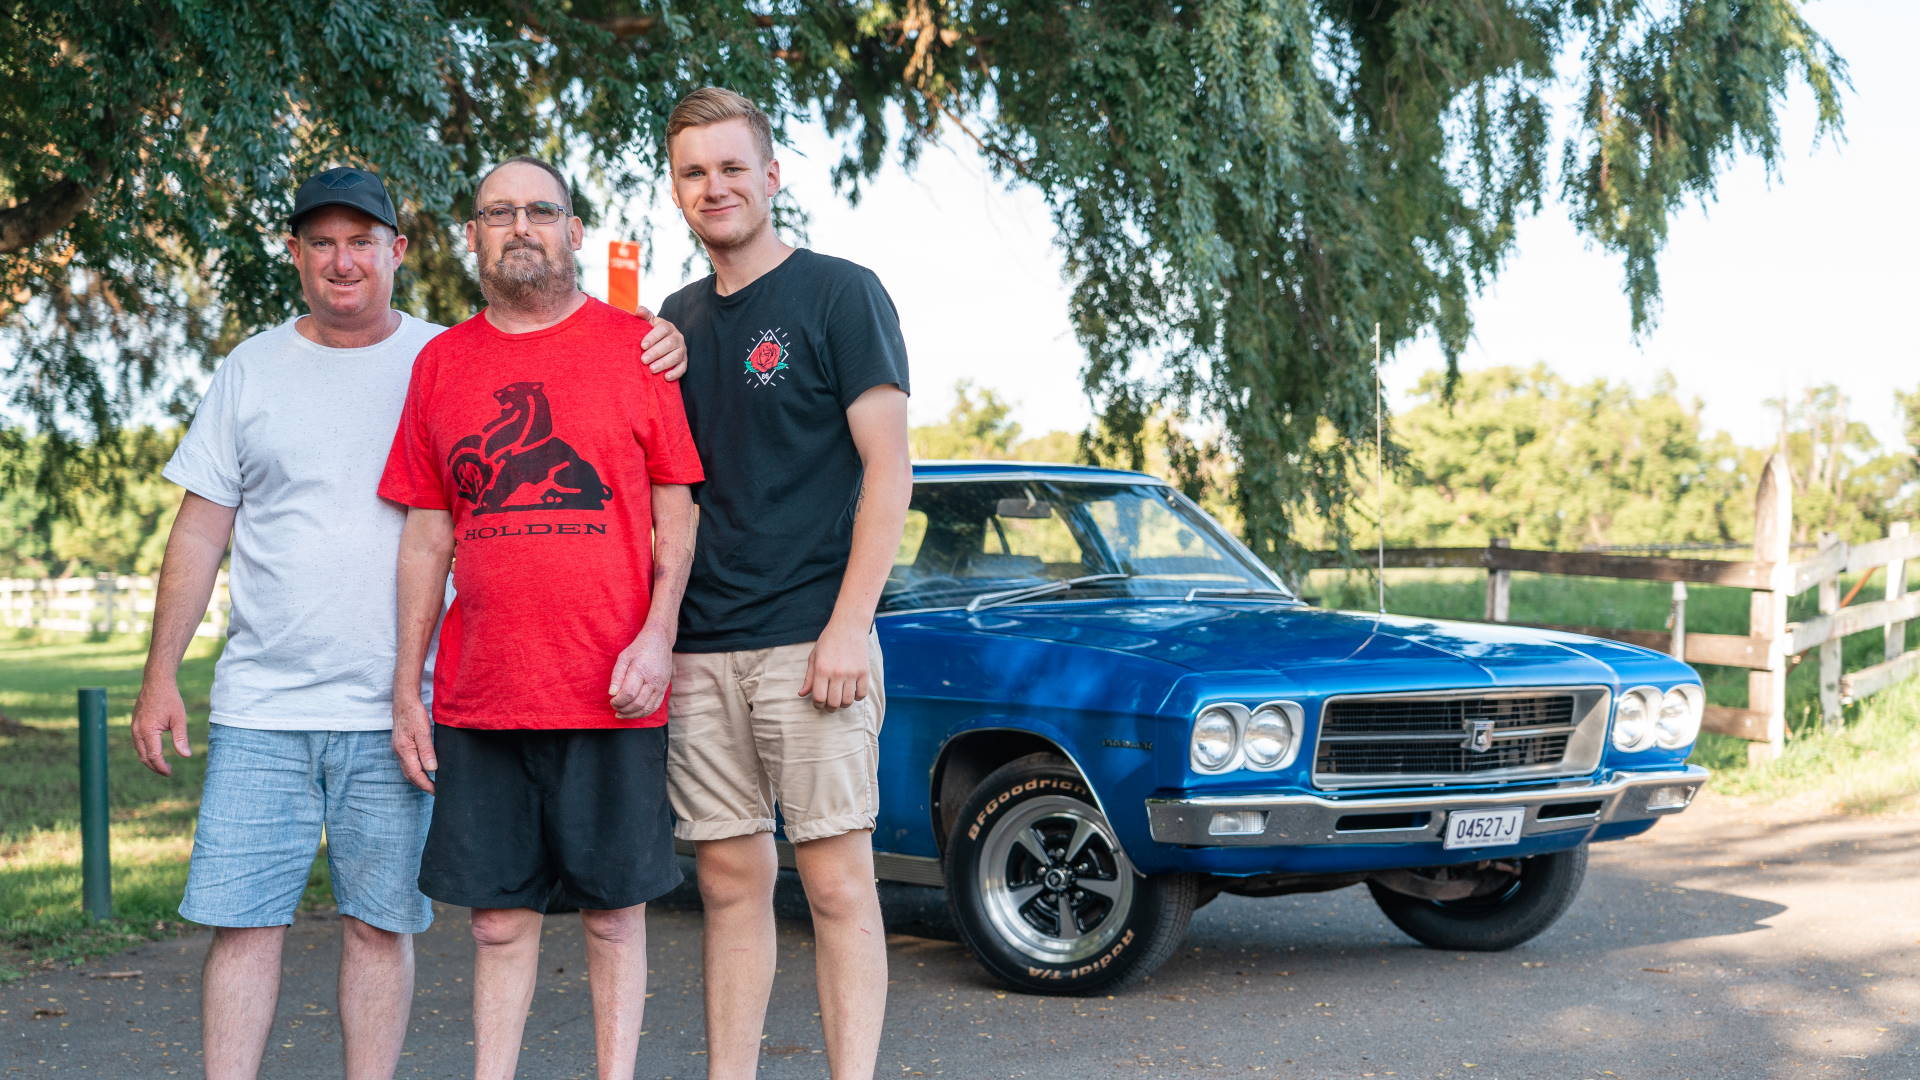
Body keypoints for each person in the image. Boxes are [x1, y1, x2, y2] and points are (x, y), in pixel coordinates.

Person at [129, 165, 687, 1080]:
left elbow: (627, 436)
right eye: (321, 243)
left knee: (383, 925)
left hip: (416, 712)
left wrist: (669, 337)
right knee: (245, 923)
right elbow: (204, 530)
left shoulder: (466, 354)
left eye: (362, 242)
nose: (342, 262)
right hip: (271, 705)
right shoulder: (270, 369)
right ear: (298, 255)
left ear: (399, 251)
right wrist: (161, 677)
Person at [379, 155, 705, 1080]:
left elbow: (675, 512)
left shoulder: (638, 348)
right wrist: (409, 689)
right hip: (484, 692)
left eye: (539, 210)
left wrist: (657, 636)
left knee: (614, 913)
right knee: (494, 923)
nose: (519, 226)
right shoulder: (442, 364)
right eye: (498, 213)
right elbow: (424, 538)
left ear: (573, 230)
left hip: (612, 685)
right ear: (473, 236)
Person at [656, 88, 912, 1080]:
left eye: (731, 166)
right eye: (693, 172)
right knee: (728, 882)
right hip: (703, 645)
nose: (714, 186)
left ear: (771, 175)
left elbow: (888, 468)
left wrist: (851, 626)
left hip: (814, 640)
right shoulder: (674, 323)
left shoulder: (841, 295)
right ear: (677, 191)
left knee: (839, 882)